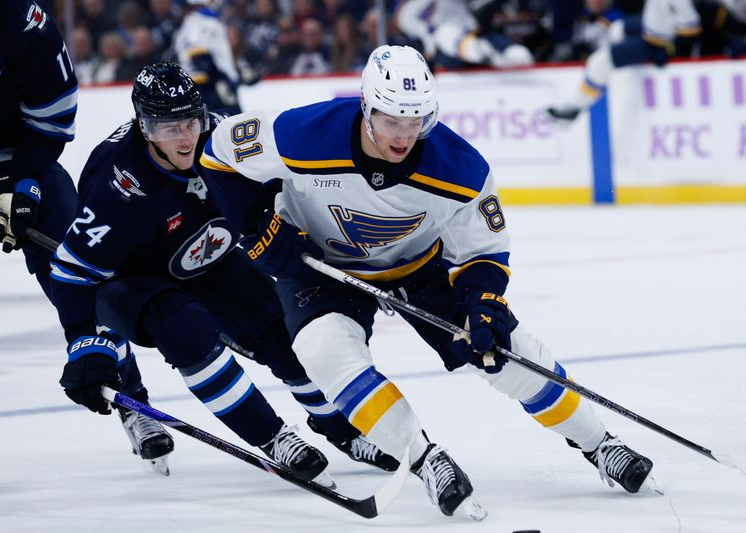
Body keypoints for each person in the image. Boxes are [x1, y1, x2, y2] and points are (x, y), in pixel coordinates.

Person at [199, 44, 656, 518]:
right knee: (323, 352)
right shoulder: (303, 134)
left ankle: (600, 444)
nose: (403, 135)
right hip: (318, 267)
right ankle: (424, 459)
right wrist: (255, 227)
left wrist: (483, 301)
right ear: (366, 107)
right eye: (392, 119)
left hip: (420, 268)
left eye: (415, 120)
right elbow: (217, 155)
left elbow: (482, 249)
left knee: (505, 348)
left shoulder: (460, 168)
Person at [48, 62, 398, 489]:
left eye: (191, 122)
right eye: (168, 128)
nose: (186, 138)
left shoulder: (223, 138)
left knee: (280, 333)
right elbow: (71, 272)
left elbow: (277, 190)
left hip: (208, 259)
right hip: (134, 281)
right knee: (186, 327)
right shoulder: (119, 182)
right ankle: (273, 437)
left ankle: (343, 430)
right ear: (144, 127)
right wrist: (84, 340)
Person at [0, 0, 176, 487]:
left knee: (85, 282)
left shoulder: (21, 19)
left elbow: (55, 113)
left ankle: (133, 402)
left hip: (22, 165)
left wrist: (27, 187)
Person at [547, 0, 701, 121]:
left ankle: (575, 106)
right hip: (647, 30)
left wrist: (669, 51)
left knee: (600, 61)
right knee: (616, 29)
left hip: (655, 44)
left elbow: (691, 27)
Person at [394, 0, 534, 68]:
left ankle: (510, 55)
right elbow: (414, 26)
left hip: (475, 31)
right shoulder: (409, 12)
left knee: (518, 53)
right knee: (444, 34)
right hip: (448, 49)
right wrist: (430, 47)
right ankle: (483, 52)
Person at [174, 0, 256, 115]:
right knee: (231, 123)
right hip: (209, 86)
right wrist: (219, 79)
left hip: (210, 84)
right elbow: (198, 55)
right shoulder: (200, 22)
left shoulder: (197, 22)